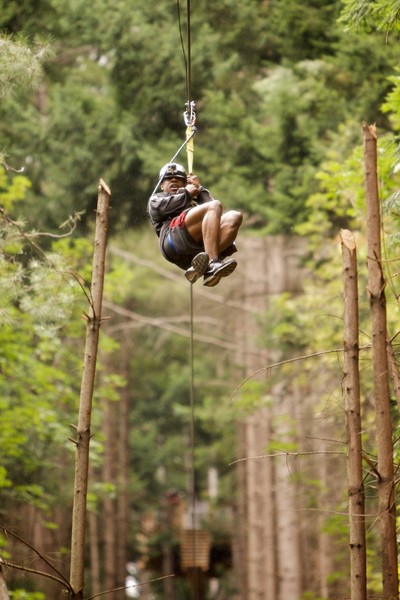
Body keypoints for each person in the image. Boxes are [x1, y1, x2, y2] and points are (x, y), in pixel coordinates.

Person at [147, 162, 243, 287]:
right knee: (214, 206)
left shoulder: (190, 199)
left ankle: (208, 269)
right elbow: (161, 210)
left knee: (234, 217)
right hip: (173, 242)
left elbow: (216, 215)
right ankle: (213, 262)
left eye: (179, 179)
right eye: (169, 178)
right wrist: (186, 194)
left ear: (185, 183)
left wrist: (200, 190)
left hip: (197, 250)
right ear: (161, 185)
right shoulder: (156, 199)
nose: (174, 180)